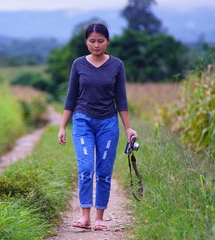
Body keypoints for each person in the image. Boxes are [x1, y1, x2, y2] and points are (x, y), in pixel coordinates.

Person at [57, 23, 138, 231]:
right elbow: (71, 96)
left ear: (108, 41)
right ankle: (85, 216)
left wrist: (128, 128)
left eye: (100, 41)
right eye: (92, 41)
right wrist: (62, 126)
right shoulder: (78, 64)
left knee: (103, 170)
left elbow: (121, 98)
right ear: (86, 42)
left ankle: (100, 217)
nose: (96, 45)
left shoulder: (117, 65)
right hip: (82, 120)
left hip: (108, 123)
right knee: (85, 168)